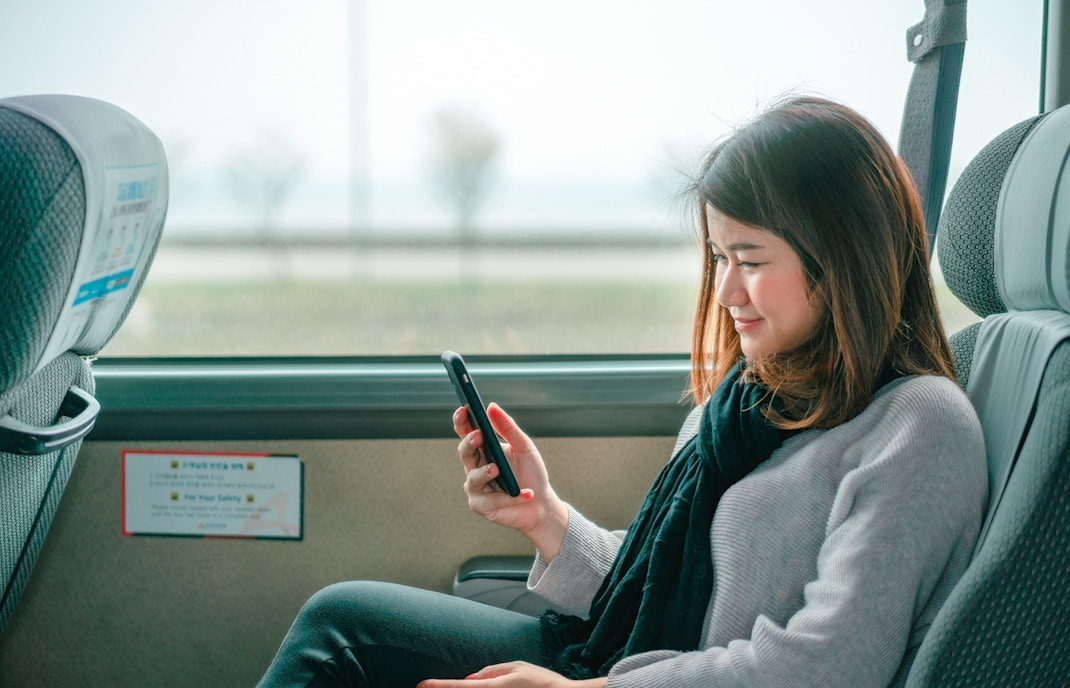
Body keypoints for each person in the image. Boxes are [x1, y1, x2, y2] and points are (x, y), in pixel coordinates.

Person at [256, 96, 988, 688]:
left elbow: (829, 665)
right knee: (343, 621)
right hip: (632, 668)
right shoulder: (749, 402)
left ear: (844, 258)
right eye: (717, 256)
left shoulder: (918, 425)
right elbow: (653, 594)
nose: (727, 290)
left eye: (752, 259)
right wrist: (543, 515)